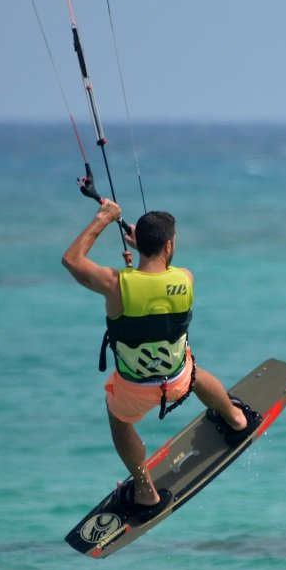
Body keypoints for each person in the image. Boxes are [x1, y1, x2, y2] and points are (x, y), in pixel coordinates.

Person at [62, 199, 261, 515]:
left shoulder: (115, 285)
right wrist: (142, 249)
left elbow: (71, 260)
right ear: (168, 245)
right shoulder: (185, 278)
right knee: (194, 370)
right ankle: (236, 419)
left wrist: (104, 218)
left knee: (119, 420)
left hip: (134, 390)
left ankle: (145, 492)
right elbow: (158, 280)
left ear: (142, 244)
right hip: (179, 379)